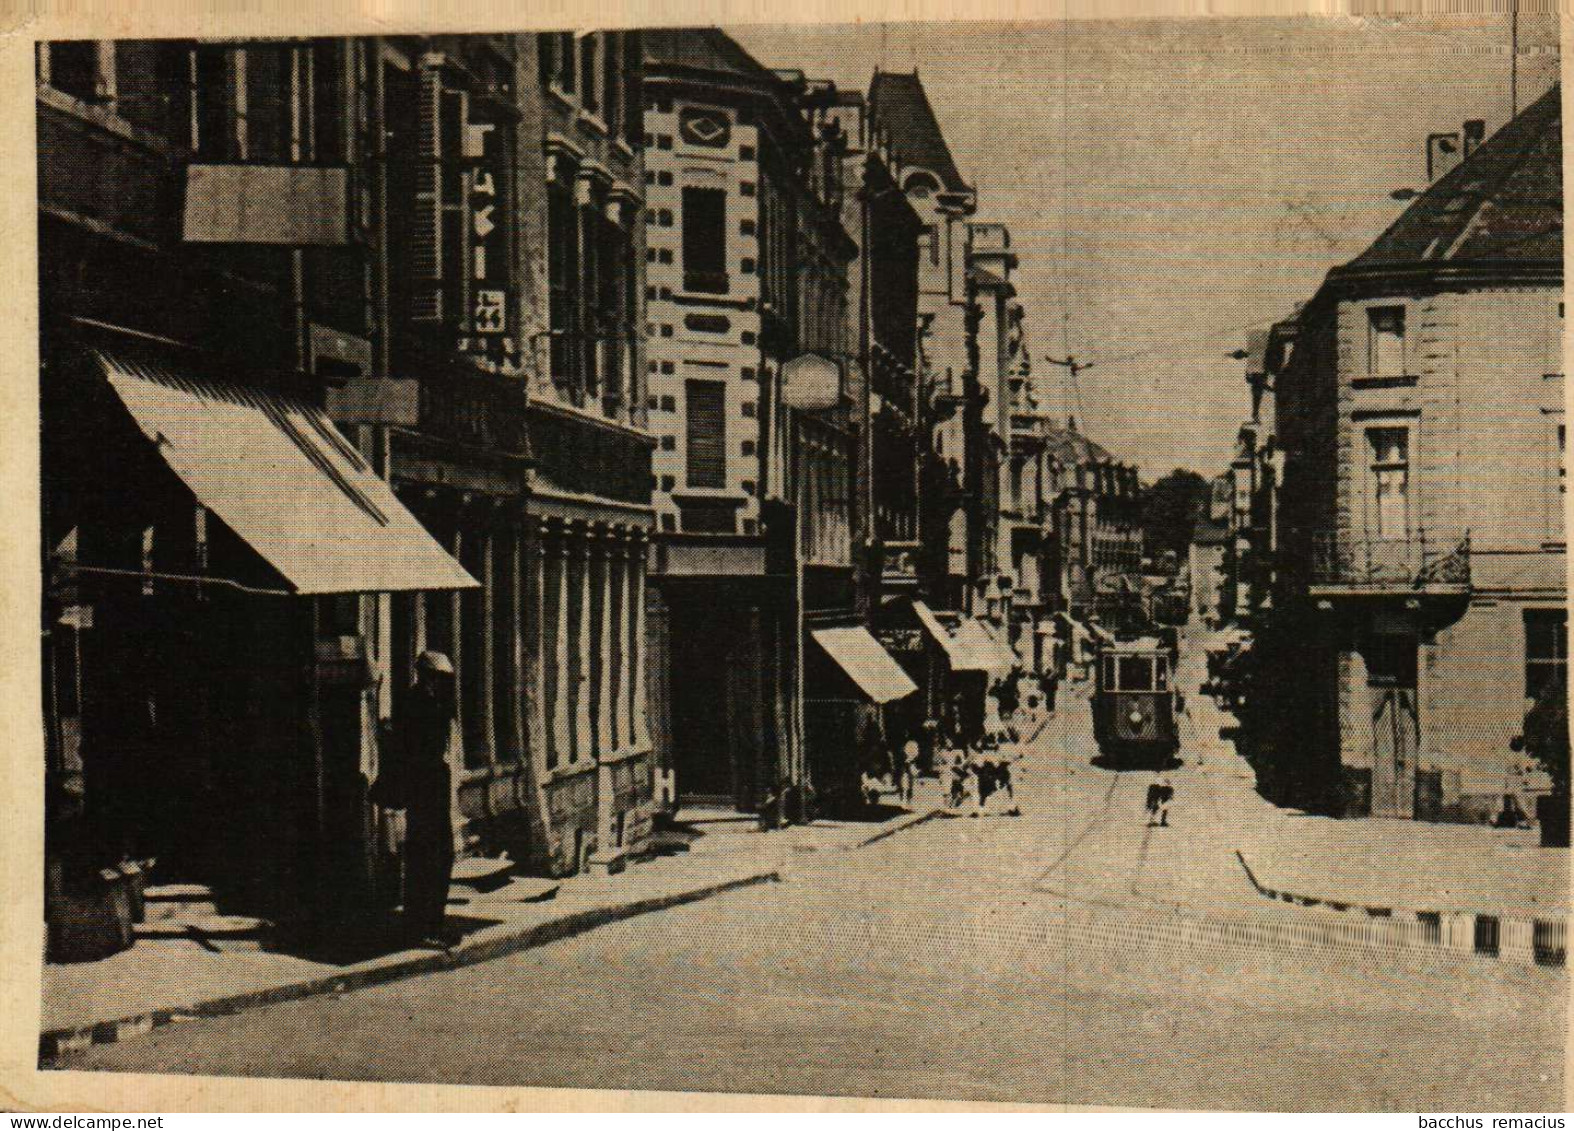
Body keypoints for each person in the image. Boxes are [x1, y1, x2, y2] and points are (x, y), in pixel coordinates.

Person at [396, 651, 459, 947]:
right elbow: (410, 749)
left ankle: (433, 922)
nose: (442, 683)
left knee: (442, 855)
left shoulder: (436, 702)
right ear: (425, 675)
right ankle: (421, 926)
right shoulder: (414, 703)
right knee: (425, 856)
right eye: (438, 677)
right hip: (422, 786)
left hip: (434, 785)